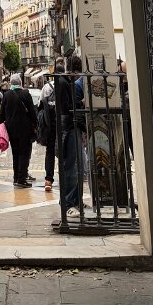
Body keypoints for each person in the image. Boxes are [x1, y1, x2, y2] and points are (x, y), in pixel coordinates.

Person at [57, 53, 86, 217]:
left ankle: (75, 200)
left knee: (77, 166)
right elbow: (68, 107)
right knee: (72, 167)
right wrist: (81, 103)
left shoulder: (65, 82)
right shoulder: (65, 83)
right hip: (69, 127)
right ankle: (68, 202)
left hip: (70, 127)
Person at [0, 72, 37, 187]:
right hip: (25, 129)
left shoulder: (7, 95)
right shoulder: (26, 94)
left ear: (11, 83)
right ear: (20, 82)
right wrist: (36, 124)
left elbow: (2, 114)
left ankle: (16, 178)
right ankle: (22, 179)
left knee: (15, 153)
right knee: (24, 153)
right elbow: (32, 112)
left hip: (11, 129)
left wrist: (0, 124)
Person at [39, 60, 64, 191]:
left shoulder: (46, 87)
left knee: (50, 151)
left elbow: (40, 105)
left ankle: (48, 179)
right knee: (64, 150)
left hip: (50, 124)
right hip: (63, 123)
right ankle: (64, 177)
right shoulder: (66, 85)